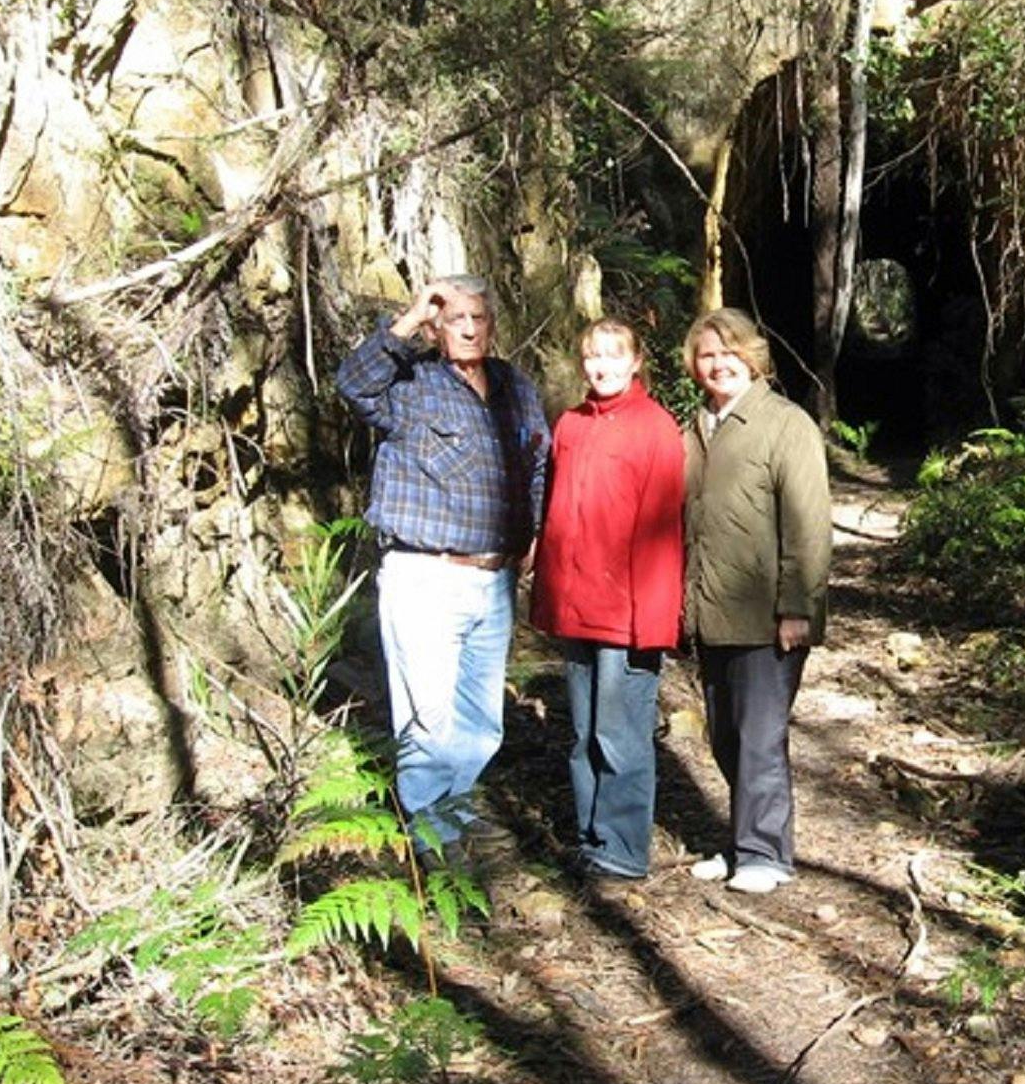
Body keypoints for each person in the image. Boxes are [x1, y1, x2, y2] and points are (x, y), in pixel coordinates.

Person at [335, 275, 549, 860]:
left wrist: (530, 533)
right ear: (434, 326)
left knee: (481, 718)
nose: (469, 328)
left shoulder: (513, 386)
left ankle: (456, 813)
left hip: (494, 577)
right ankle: (433, 836)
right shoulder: (409, 382)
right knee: (427, 715)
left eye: (479, 317)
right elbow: (352, 385)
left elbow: (537, 462)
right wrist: (409, 317)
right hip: (425, 573)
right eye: (455, 317)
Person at [680, 307, 832, 896]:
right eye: (706, 354)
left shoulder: (784, 424)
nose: (718, 364)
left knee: (760, 735)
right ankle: (743, 838)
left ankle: (766, 854)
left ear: (754, 357)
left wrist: (797, 604)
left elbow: (809, 523)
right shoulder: (694, 428)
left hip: (768, 616)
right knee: (724, 734)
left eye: (729, 352)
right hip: (710, 610)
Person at [530, 319, 685, 881]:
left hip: (628, 615)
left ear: (637, 361)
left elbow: (666, 535)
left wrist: (657, 622)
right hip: (577, 608)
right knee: (582, 735)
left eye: (615, 356)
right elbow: (555, 517)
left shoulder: (656, 429)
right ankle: (590, 837)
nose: (603, 366)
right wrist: (547, 599)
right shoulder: (570, 425)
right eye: (593, 356)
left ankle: (622, 849)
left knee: (619, 735)